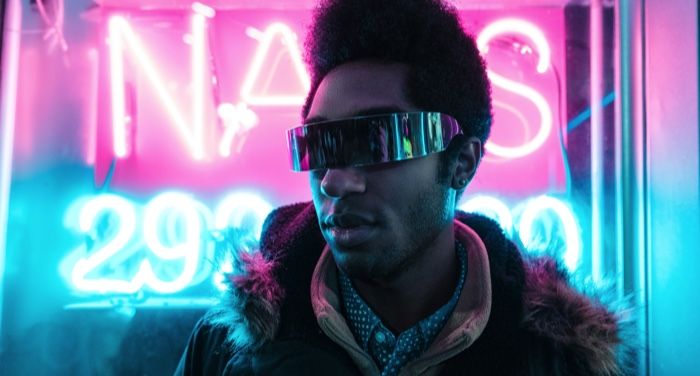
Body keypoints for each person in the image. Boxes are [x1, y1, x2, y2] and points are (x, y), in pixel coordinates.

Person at [175, 0, 623, 374]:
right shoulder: (229, 351)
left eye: (378, 141)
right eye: (318, 145)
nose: (334, 180)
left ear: (461, 164)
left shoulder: (554, 361)